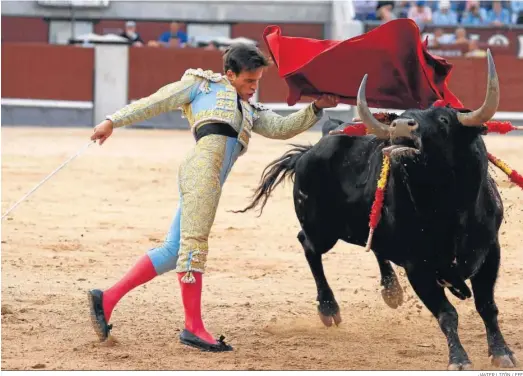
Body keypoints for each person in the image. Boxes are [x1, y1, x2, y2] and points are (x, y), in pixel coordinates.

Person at [87, 43, 339, 352]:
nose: (253, 88)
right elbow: (156, 102)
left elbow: (282, 128)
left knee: (172, 251)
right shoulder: (201, 85)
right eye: (249, 81)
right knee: (193, 246)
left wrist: (316, 108)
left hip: (210, 178)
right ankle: (193, 328)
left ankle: (107, 299)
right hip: (201, 173)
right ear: (230, 75)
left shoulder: (249, 110)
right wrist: (113, 120)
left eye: (257, 81)